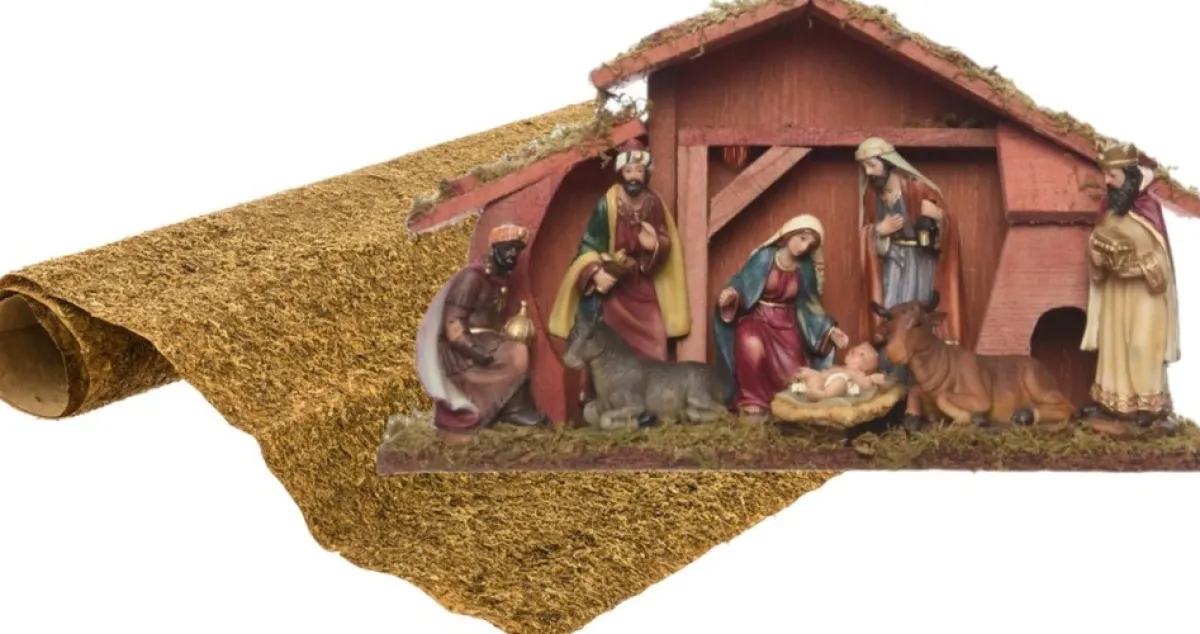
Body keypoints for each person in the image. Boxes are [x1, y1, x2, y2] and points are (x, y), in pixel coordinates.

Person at [547, 139, 689, 399]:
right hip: (613, 289)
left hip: (640, 283)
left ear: (646, 174)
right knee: (608, 341)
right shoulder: (608, 204)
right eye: (629, 170)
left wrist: (655, 245)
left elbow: (666, 241)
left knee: (656, 337)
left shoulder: (653, 204)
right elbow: (589, 244)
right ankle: (608, 397)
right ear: (621, 172)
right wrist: (596, 272)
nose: (634, 176)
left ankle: (655, 399)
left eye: (639, 171)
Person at [414, 222, 548, 443]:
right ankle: (504, 409)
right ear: (495, 250)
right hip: (462, 350)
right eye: (508, 249)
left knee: (517, 349)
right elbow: (454, 322)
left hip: (486, 339)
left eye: (516, 251)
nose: (512, 256)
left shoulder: (497, 281)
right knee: (516, 352)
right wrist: (472, 349)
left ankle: (513, 407)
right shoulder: (472, 278)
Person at [1079, 142, 1180, 427]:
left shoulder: (1148, 210)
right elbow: (1096, 240)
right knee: (1115, 347)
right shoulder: (1109, 209)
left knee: (1141, 345)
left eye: (1112, 175)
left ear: (1129, 175)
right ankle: (1114, 404)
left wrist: (1136, 269)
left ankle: (1148, 404)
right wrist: (1095, 256)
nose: (1107, 181)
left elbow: (1162, 263)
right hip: (1115, 293)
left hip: (1145, 296)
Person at [712, 214, 850, 420]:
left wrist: (829, 331)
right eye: (802, 239)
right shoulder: (765, 257)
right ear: (789, 233)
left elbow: (810, 304)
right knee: (750, 343)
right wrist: (733, 294)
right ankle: (752, 403)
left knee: (795, 374)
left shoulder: (805, 268)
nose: (804, 247)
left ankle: (786, 407)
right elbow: (744, 282)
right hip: (757, 318)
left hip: (786, 325)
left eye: (810, 245)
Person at [855, 136, 965, 380]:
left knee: (916, 316)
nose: (868, 172)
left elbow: (947, 224)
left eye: (872, 165)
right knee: (891, 314)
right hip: (891, 263)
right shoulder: (871, 197)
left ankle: (923, 375)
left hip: (921, 261)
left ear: (888, 162)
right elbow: (865, 232)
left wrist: (937, 217)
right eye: (864, 167)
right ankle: (892, 373)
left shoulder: (917, 189)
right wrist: (878, 231)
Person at [791, 341, 887, 401]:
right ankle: (811, 389)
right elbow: (824, 375)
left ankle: (823, 395)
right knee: (813, 376)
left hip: (839, 387)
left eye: (862, 354)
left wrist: (871, 379)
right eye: (855, 350)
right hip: (825, 382)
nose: (856, 352)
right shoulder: (840, 368)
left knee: (840, 381)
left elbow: (865, 383)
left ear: (867, 369)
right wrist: (813, 373)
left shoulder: (859, 375)